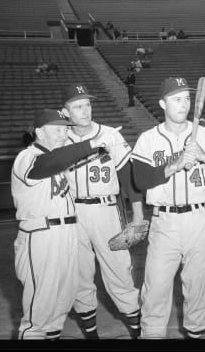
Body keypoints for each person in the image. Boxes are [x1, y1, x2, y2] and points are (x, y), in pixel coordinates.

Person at [131, 77, 205, 339]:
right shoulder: (148, 139)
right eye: (177, 99)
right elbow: (140, 180)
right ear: (162, 104)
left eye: (187, 99)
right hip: (164, 222)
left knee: (198, 288)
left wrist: (203, 156)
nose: (184, 104)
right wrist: (175, 165)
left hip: (201, 220)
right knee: (154, 291)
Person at [11, 108, 113, 340]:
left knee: (61, 304)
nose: (63, 134)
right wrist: (90, 144)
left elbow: (59, 160)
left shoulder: (58, 160)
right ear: (38, 131)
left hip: (66, 233)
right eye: (57, 129)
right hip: (41, 235)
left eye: (65, 129)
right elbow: (46, 164)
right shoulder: (27, 156)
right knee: (39, 312)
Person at [61, 83, 145, 339]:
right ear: (65, 112)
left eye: (87, 104)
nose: (85, 110)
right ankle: (91, 335)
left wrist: (138, 215)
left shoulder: (111, 134)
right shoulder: (60, 138)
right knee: (79, 276)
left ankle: (138, 332)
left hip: (107, 210)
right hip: (72, 213)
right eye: (78, 106)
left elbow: (129, 177)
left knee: (119, 272)